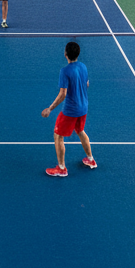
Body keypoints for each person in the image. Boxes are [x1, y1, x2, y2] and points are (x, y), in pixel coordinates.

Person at [41, 40, 96, 177]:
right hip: (84, 107)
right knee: (80, 130)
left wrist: (50, 109)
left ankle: (61, 168)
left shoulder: (64, 71)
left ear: (65, 54)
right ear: (78, 54)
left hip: (71, 110)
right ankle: (90, 160)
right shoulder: (83, 66)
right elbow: (87, 84)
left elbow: (63, 94)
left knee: (58, 136)